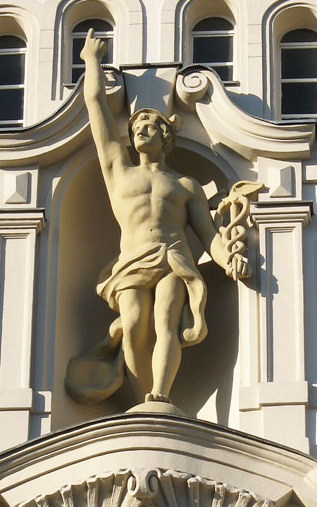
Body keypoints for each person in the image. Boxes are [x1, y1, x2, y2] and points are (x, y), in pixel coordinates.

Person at [67, 29, 251, 406]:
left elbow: (208, 234)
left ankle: (160, 395)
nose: (141, 132)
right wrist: (90, 62)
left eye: (150, 127)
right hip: (132, 260)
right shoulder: (119, 171)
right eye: (136, 129)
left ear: (166, 136)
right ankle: (141, 402)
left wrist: (227, 257)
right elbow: (97, 109)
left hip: (173, 259)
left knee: (166, 323)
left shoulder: (185, 184)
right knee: (134, 325)